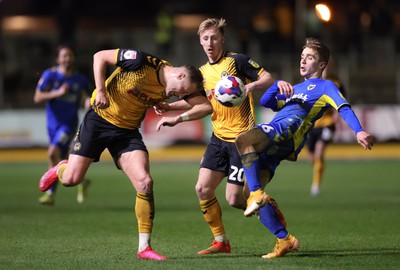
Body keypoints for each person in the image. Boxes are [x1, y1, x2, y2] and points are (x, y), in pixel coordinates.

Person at [38, 48, 212, 261]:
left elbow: (205, 106)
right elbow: (99, 57)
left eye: (185, 95)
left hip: (127, 132)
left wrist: (174, 114)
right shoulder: (140, 62)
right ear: (181, 75)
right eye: (184, 91)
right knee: (71, 180)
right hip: (99, 121)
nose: (182, 95)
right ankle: (61, 168)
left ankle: (144, 248)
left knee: (145, 182)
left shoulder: (171, 88)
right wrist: (100, 90)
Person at [154, 18, 284, 255]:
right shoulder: (202, 74)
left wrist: (251, 87)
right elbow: (201, 104)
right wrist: (170, 109)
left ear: (222, 39)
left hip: (241, 139)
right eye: (205, 38)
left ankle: (269, 209)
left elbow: (268, 78)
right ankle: (221, 241)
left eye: (214, 37)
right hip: (217, 140)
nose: (210, 42)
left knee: (234, 199)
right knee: (202, 189)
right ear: (200, 41)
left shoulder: (237, 62)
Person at [235, 37, 374, 259]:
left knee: (243, 141)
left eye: (309, 58)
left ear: (321, 65)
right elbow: (268, 103)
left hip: (287, 131)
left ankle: (257, 195)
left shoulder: (326, 86)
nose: (303, 61)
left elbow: (343, 107)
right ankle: (285, 239)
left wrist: (358, 130)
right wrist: (275, 85)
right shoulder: (296, 88)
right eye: (302, 57)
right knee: (242, 195)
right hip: (276, 140)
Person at [34, 44, 92, 206]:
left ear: (74, 58)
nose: (67, 59)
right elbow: (37, 97)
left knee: (52, 153)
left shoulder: (80, 80)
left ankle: (50, 193)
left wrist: (88, 102)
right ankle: (82, 181)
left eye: (70, 56)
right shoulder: (50, 75)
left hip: (68, 124)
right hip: (52, 124)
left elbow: (90, 97)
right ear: (58, 58)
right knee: (63, 159)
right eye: (64, 56)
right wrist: (57, 93)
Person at [306, 65, 346, 197]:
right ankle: (318, 168)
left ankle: (315, 185)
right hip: (313, 124)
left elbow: (342, 101)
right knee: (312, 157)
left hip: (328, 123)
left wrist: (337, 114)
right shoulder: (309, 83)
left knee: (319, 152)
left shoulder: (336, 83)